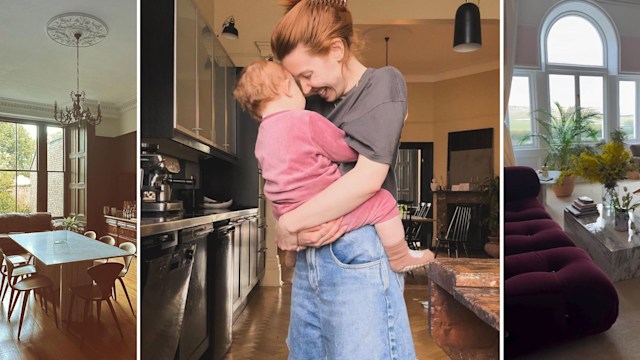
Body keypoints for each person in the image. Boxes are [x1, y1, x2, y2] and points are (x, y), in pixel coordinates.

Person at [269, 0, 421, 358]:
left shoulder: (383, 83)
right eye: (297, 80)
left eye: (307, 75)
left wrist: (288, 224)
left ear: (336, 50)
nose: (304, 88)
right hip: (311, 261)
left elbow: (368, 178)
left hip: (359, 257)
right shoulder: (314, 104)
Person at [233, 60, 434, 272]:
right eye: (298, 81)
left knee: (287, 194)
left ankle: (291, 254)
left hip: (286, 212)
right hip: (323, 211)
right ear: (286, 86)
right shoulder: (306, 120)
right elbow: (344, 150)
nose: (306, 88)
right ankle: (400, 256)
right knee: (383, 202)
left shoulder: (262, 136)